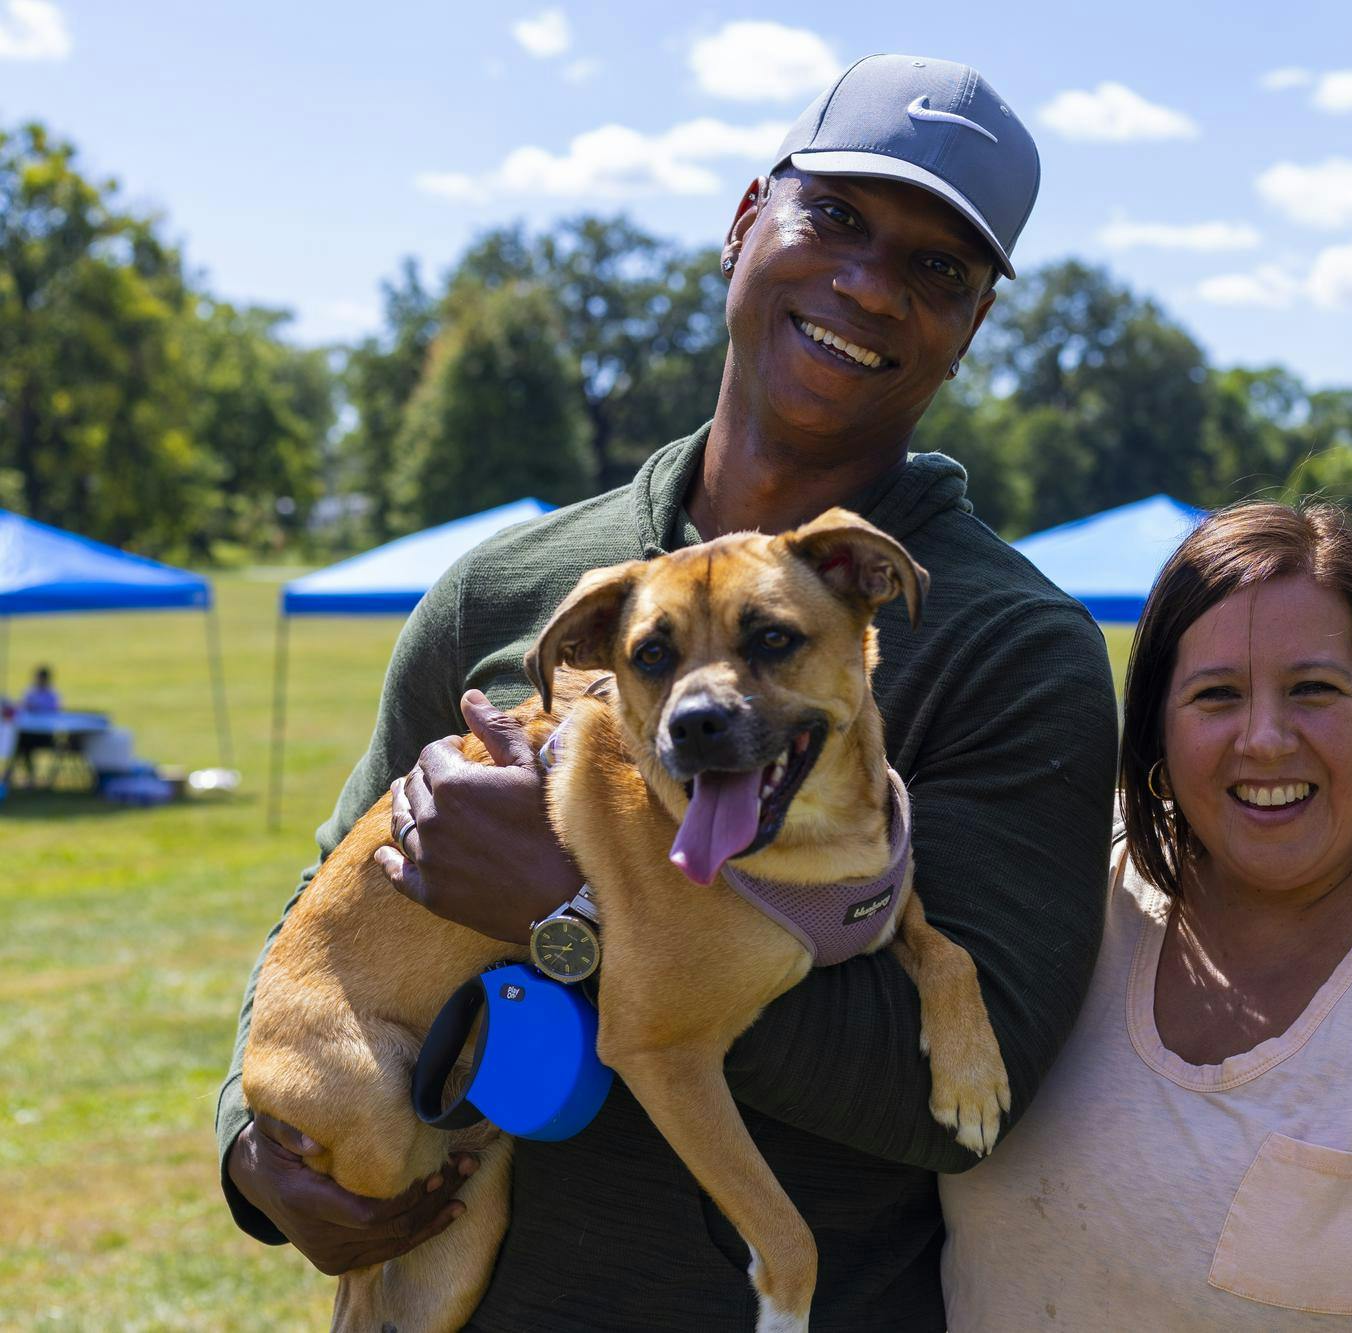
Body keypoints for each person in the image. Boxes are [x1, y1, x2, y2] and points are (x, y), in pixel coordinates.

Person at [216, 55, 1119, 1329]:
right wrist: (251, 1149)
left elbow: (969, 1097)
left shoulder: (1013, 644)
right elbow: (321, 905)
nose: (868, 284)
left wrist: (572, 919)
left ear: (969, 327)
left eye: (938, 271)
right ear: (745, 220)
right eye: (838, 219)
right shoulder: (507, 587)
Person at [941, 501, 1352, 1329]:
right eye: (1217, 694)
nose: (1265, 738)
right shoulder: (1064, 883)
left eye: (1314, 689)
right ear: (1157, 729)